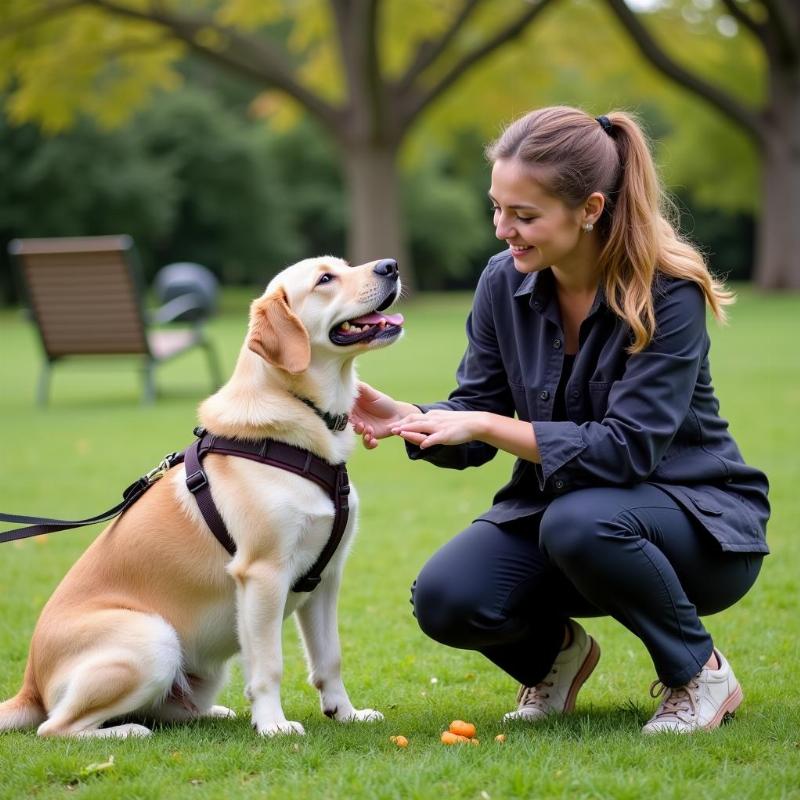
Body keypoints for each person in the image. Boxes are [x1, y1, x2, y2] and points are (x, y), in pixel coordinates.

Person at [349, 106, 769, 735]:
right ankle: (556, 659)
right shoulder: (502, 283)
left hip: (697, 523)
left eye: (524, 216)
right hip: (569, 519)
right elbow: (476, 406)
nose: (502, 230)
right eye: (497, 207)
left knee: (581, 522)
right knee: (446, 596)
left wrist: (487, 426)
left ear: (591, 209)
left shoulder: (669, 291)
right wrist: (414, 417)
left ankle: (700, 675)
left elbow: (627, 451)